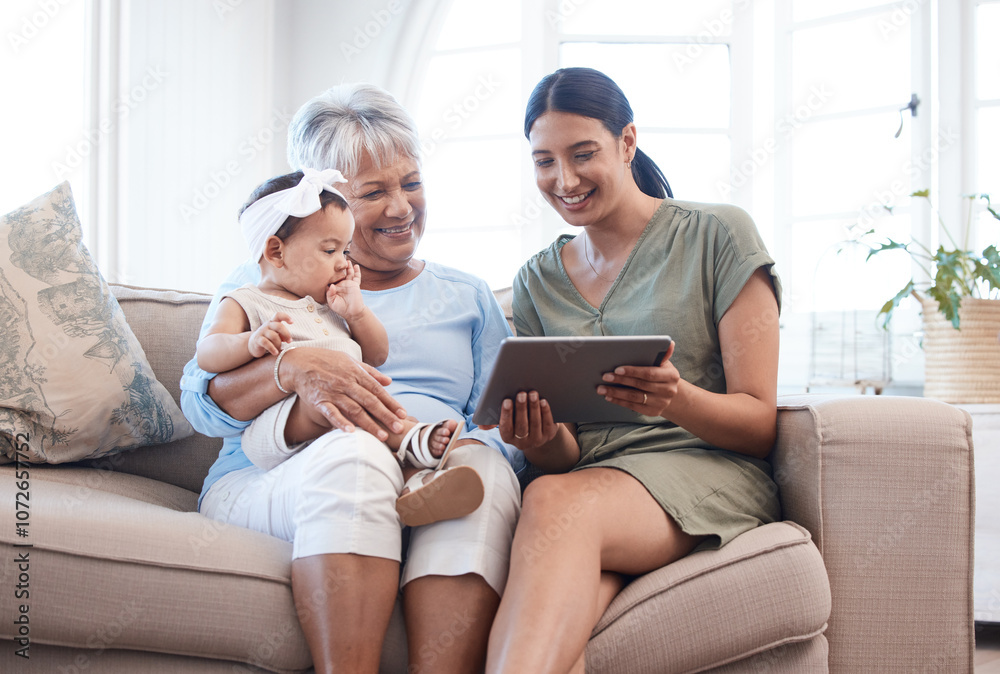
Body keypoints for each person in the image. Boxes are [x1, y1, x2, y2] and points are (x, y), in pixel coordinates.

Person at [179, 83, 523, 674]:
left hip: (428, 466)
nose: (401, 208)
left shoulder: (464, 296)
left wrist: (463, 444)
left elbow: (500, 422)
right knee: (356, 456)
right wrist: (290, 368)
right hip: (278, 476)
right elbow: (201, 405)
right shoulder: (265, 281)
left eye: (411, 183)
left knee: (482, 469)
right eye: (373, 193)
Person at [482, 67, 782, 673]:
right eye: (544, 161)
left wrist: (676, 399)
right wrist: (541, 438)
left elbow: (760, 425)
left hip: (705, 473)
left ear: (627, 142)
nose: (562, 180)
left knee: (555, 503)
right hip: (593, 487)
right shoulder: (536, 281)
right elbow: (567, 456)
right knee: (561, 628)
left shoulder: (718, 234)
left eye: (583, 153)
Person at [194, 168, 483, 526]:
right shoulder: (245, 300)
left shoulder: (328, 305)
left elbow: (377, 355)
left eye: (345, 250)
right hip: (278, 428)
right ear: (275, 251)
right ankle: (413, 436)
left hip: (341, 431)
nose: (344, 262)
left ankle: (416, 486)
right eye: (331, 250)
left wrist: (357, 313)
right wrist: (249, 342)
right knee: (336, 402)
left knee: (365, 409)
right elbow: (208, 353)